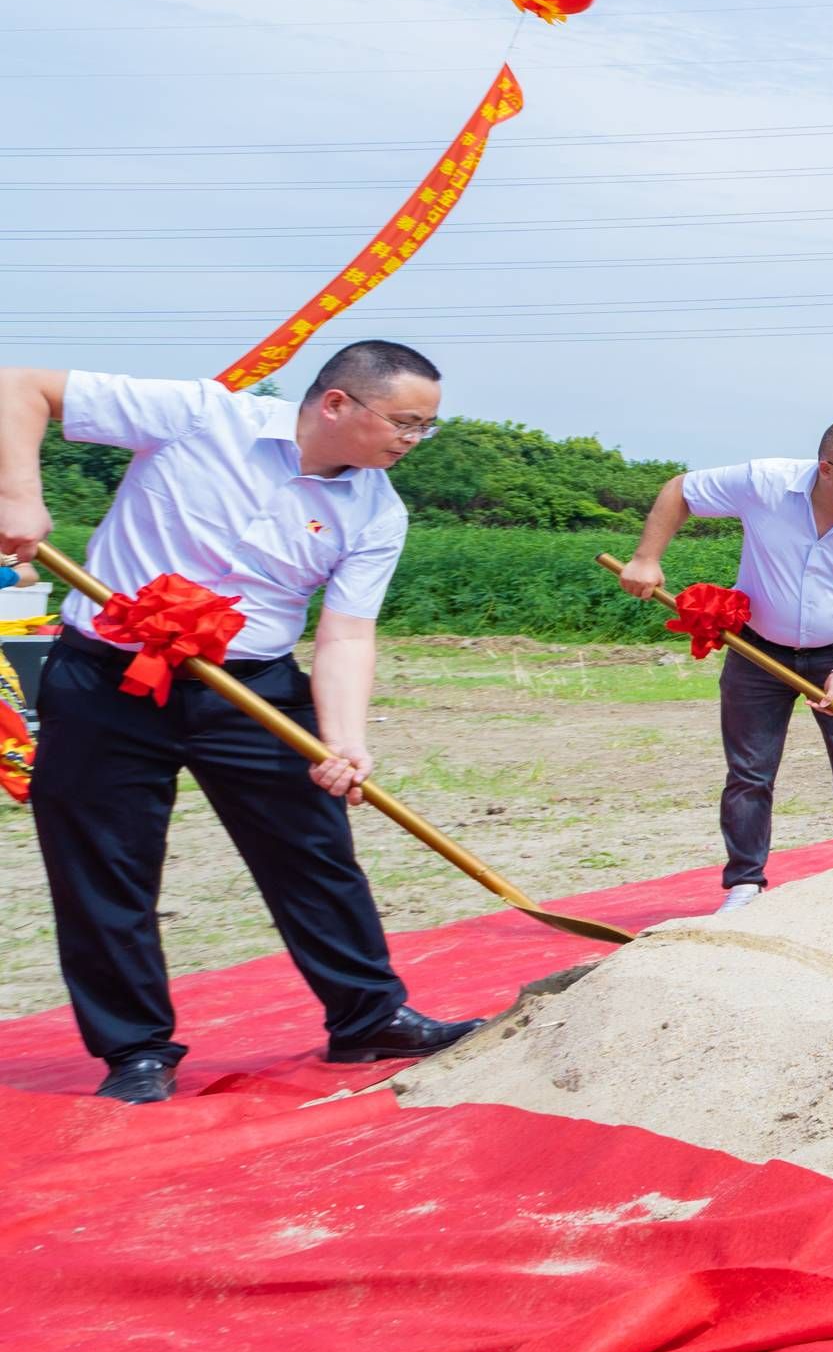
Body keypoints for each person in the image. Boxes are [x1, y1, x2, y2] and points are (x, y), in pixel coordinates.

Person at [0, 342, 482, 1102]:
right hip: (107, 678)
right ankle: (136, 1052)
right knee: (105, 865)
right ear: (337, 404)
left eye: (425, 427)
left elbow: (346, 634)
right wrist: (19, 498)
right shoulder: (200, 416)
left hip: (250, 688)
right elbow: (20, 386)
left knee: (314, 852)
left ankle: (368, 1017)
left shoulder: (377, 512)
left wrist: (343, 740)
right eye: (405, 422)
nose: (414, 440)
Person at [617, 418, 833, 914]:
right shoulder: (766, 484)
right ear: (827, 469)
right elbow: (680, 490)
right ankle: (744, 885)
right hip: (757, 651)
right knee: (750, 772)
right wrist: (646, 557)